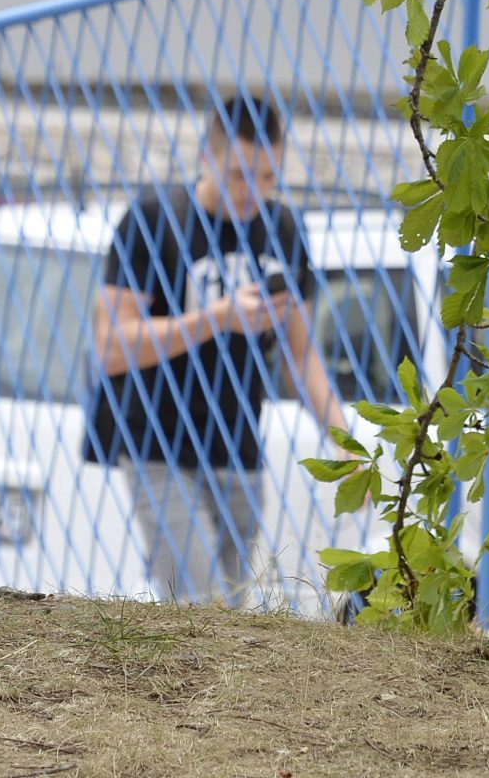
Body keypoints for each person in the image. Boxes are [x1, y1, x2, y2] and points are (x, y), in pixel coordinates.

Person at [85, 93, 350, 605]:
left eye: (269, 178)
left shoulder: (284, 229)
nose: (254, 192)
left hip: (239, 452)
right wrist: (217, 318)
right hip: (158, 445)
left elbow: (301, 354)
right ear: (207, 157)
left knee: (226, 623)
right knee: (198, 605)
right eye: (239, 175)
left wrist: (344, 441)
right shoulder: (154, 220)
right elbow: (112, 347)